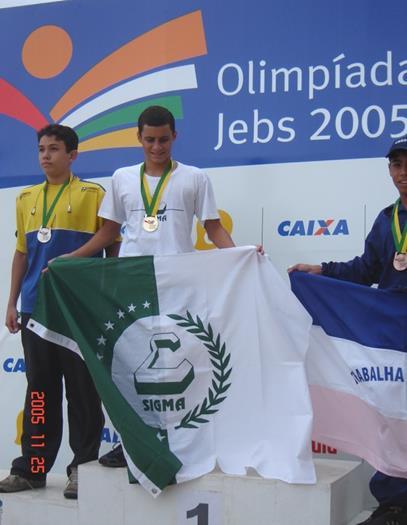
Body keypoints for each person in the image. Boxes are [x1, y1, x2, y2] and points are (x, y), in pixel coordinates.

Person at [63, 105, 239, 467]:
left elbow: (213, 228)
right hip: (132, 284)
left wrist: (242, 256)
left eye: (163, 140)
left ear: (174, 136)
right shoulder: (123, 178)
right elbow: (109, 233)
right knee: (131, 366)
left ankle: (181, 439)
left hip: (178, 283)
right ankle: (131, 443)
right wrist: (73, 259)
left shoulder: (195, 177)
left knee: (180, 364)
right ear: (138, 139)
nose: (157, 147)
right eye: (149, 140)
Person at [289, 135, 407, 525]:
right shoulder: (386, 219)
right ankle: (393, 503)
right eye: (396, 165)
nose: (403, 173)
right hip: (391, 335)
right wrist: (321, 271)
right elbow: (365, 270)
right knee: (390, 413)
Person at [0, 124, 119, 499]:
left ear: (73, 155)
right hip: (37, 310)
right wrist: (12, 302)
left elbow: (112, 245)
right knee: (39, 393)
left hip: (78, 312)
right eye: (41, 149)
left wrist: (105, 295)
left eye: (54, 149)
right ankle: (34, 469)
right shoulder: (26, 199)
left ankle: (82, 470)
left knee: (83, 394)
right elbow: (22, 254)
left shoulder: (94, 194)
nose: (46, 156)